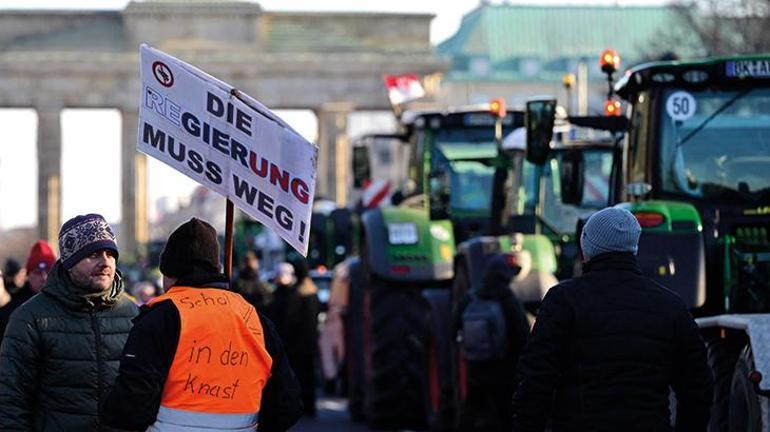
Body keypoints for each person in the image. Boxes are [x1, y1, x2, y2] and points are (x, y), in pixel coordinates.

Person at [512, 207, 713, 431]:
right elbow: (698, 388)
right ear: (633, 248)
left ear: (587, 248)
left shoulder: (563, 301)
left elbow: (536, 380)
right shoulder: (671, 306)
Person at [102, 218, 302, 432]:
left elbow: (131, 408)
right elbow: (288, 405)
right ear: (216, 267)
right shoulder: (256, 320)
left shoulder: (159, 319)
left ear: (169, 273)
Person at [0, 213, 138, 430]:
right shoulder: (30, 318)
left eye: (110, 254)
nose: (105, 262)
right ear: (70, 262)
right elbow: (11, 400)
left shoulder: (133, 314)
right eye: (93, 255)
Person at [453, 253, 530, 431]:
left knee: (470, 409)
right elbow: (523, 334)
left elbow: (454, 327)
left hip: (475, 367)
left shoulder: (471, 298)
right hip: (503, 369)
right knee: (504, 413)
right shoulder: (508, 300)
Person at [268, 259, 320, 417]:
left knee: (299, 376)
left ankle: (302, 406)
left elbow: (290, 321)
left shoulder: (297, 294)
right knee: (309, 375)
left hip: (297, 344)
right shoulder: (312, 291)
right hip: (309, 342)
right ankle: (310, 405)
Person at [0, 240, 57, 344]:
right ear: (28, 275)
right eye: (37, 272)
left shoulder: (70, 301)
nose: (43, 277)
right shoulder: (13, 310)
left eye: (48, 271)